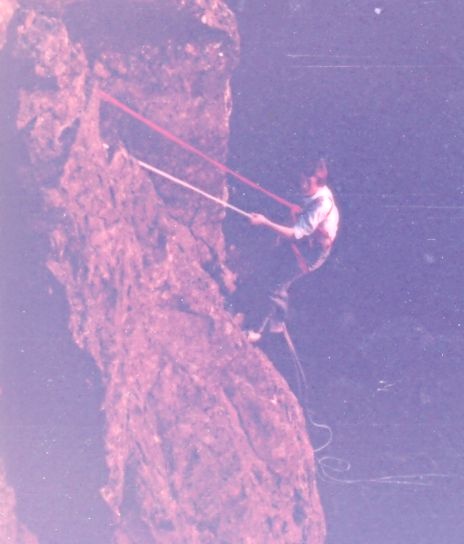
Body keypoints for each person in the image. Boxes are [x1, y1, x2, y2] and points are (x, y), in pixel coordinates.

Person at [246, 158, 339, 342]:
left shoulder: (321, 204)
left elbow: (296, 234)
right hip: (307, 242)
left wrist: (265, 223)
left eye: (307, 181)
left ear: (317, 181)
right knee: (272, 272)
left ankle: (260, 330)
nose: (302, 184)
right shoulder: (312, 193)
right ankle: (275, 317)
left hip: (312, 252)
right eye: (302, 179)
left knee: (276, 284)